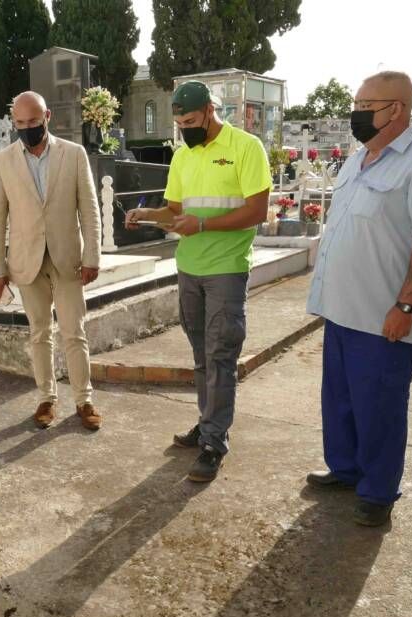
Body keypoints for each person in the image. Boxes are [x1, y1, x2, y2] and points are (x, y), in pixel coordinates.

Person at [304, 71, 412, 527]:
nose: (357, 114)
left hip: (382, 316)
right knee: (342, 400)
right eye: (357, 104)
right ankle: (346, 469)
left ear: (398, 109)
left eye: (367, 106)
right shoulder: (358, 159)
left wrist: (406, 306)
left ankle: (378, 491)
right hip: (341, 310)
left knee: (380, 408)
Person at [125, 81, 271, 482]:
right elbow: (175, 211)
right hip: (189, 267)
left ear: (210, 110)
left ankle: (214, 441)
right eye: (178, 123)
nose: (184, 128)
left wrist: (203, 223)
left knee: (221, 354)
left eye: (189, 121)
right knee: (201, 354)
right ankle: (208, 423)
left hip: (226, 268)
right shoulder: (183, 157)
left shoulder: (246, 148)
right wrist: (148, 216)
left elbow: (258, 211)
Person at [0, 91, 103, 431]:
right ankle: (46, 399)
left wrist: (91, 255)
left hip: (67, 259)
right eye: (20, 123)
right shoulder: (2, 162)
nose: (27, 128)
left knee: (74, 331)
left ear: (47, 117)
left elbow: (90, 210)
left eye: (33, 122)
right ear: (14, 122)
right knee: (39, 332)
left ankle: (84, 400)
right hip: (25, 262)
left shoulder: (74, 154)